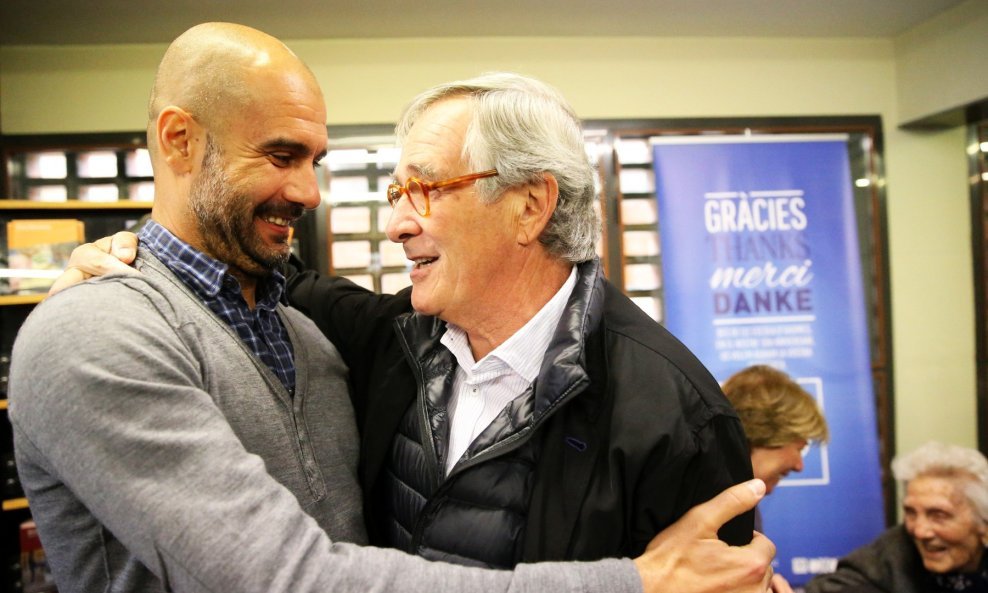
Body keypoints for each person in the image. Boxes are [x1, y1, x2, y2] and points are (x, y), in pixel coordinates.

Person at [12, 21, 776, 593]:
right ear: (179, 140)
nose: (312, 194)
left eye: (424, 189)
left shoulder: (673, 413)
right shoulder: (387, 341)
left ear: (528, 205)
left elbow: (716, 572)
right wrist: (632, 584)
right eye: (282, 156)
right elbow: (292, 577)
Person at [804, 441, 988, 593]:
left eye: (938, 515)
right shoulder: (895, 551)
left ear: (983, 523)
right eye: (910, 512)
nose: (919, 531)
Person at [721, 364, 831, 592]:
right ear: (767, 432)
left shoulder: (744, 505)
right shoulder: (705, 507)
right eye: (799, 448)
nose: (800, 466)